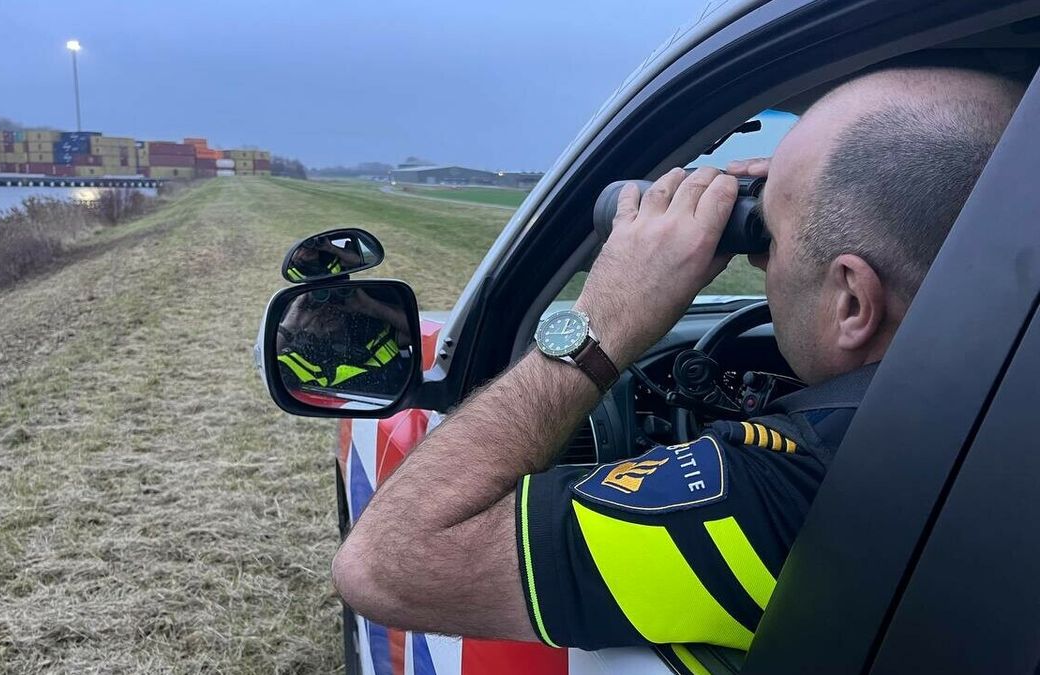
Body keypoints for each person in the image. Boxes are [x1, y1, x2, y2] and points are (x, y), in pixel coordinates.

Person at [329, 67, 1025, 652]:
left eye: (770, 238)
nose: (760, 262)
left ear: (851, 302)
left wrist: (600, 324)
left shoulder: (802, 492)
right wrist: (802, 198)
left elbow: (382, 564)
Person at [277, 288, 413, 396]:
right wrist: (289, 326)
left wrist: (369, 307)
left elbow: (415, 331)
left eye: (335, 301)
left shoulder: (372, 331)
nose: (328, 310)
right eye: (316, 306)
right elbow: (270, 367)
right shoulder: (299, 359)